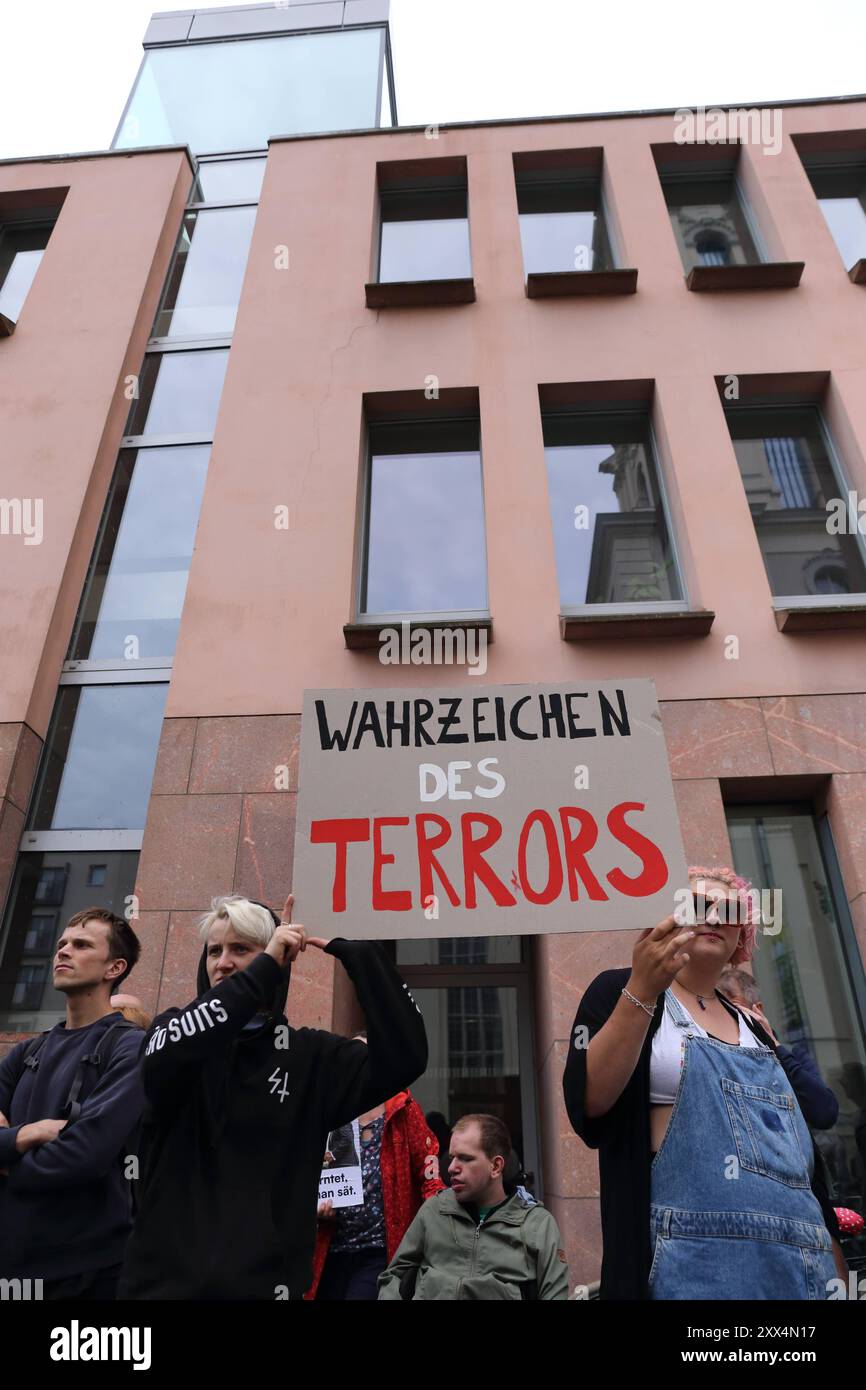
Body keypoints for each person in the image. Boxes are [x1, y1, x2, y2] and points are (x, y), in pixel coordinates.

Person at [119, 893, 428, 1300]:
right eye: (214, 951)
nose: (222, 963)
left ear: (279, 960)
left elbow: (406, 1057)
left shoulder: (311, 1058)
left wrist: (362, 956)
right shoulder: (172, 1031)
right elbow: (171, 1052)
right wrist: (262, 968)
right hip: (160, 1289)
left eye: (241, 949)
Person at [563, 864, 847, 1300]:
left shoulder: (755, 1030)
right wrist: (642, 988)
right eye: (698, 905)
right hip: (688, 1261)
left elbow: (801, 1155)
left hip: (799, 1263)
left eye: (729, 909)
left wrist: (833, 1259)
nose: (714, 917)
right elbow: (590, 1106)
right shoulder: (617, 990)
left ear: (742, 935)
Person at [0, 907, 144, 1299]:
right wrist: (23, 1136)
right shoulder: (27, 1051)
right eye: (62, 943)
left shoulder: (130, 1047)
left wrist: (6, 1164)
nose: (63, 951)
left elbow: (86, 1155)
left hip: (89, 1270)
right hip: (13, 1264)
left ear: (114, 967)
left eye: (81, 945)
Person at [308, 1030, 444, 1300]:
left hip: (380, 1249)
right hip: (330, 1246)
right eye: (353, 1057)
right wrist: (314, 1206)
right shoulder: (329, 1112)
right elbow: (301, 1175)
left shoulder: (403, 1108)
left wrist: (441, 1221)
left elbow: (429, 1174)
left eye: (368, 1057)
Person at [378, 1113, 569, 1300]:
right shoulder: (435, 1209)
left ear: (495, 1167)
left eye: (465, 1158)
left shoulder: (537, 1225)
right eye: (452, 1157)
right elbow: (394, 1275)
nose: (452, 1167)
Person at [718, 965, 839, 1130]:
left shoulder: (791, 1054)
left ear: (757, 1010)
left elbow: (825, 1113)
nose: (726, 1017)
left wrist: (774, 1046)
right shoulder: (716, 1058)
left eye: (733, 1007)